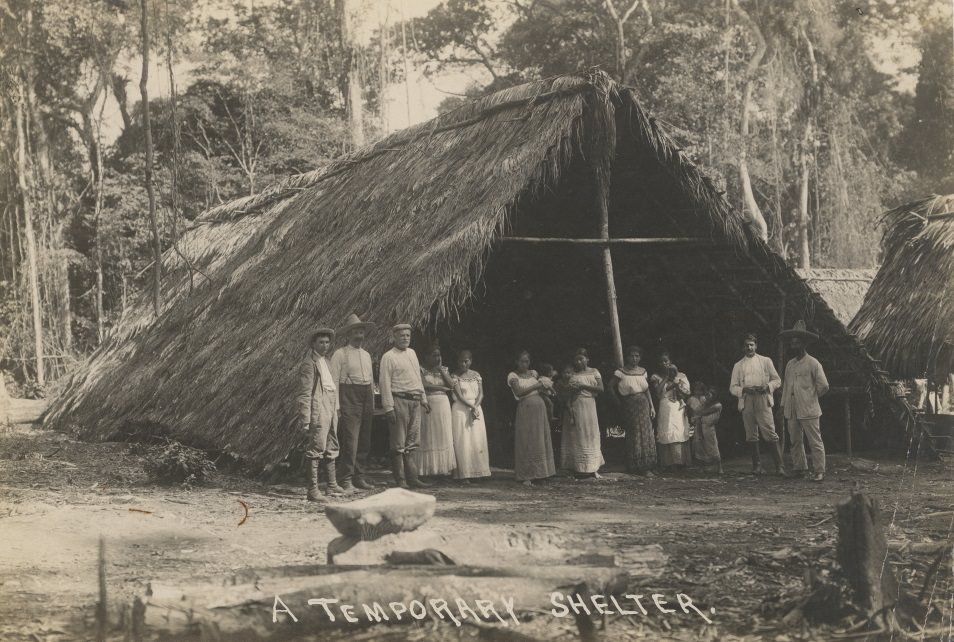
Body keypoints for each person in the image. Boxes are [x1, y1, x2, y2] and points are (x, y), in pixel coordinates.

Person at [729, 334, 790, 477]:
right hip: (746, 399)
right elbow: (732, 387)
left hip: (763, 398)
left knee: (770, 432)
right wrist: (743, 389)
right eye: (746, 345)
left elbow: (777, 380)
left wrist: (767, 387)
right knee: (751, 434)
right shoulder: (738, 365)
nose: (749, 347)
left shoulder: (765, 361)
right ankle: (757, 466)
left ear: (756, 346)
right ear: (743, 347)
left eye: (752, 344)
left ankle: (779, 467)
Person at [329, 313, 377, 493]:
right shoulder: (340, 354)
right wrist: (337, 406)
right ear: (348, 335)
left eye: (361, 332)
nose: (359, 335)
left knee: (364, 440)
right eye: (355, 332)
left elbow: (371, 380)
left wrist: (371, 401)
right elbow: (333, 381)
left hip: (366, 395)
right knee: (351, 440)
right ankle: (345, 478)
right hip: (349, 396)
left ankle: (359, 476)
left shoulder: (366, 355)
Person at [379, 324, 430, 489]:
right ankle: (400, 480)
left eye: (408, 335)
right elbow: (384, 383)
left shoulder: (412, 353)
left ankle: (413, 478)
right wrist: (388, 407)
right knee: (398, 444)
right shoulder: (388, 356)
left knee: (412, 442)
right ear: (394, 337)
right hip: (399, 400)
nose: (405, 338)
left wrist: (424, 398)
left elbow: (417, 378)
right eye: (402, 336)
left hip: (415, 401)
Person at [296, 328, 345, 501]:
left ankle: (331, 485)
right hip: (319, 405)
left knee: (332, 443)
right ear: (313, 344)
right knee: (317, 446)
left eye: (327, 342)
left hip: (331, 404)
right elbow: (305, 392)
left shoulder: (328, 362)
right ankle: (313, 490)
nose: (325, 345)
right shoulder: (309, 363)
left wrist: (336, 407)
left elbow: (333, 386)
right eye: (321, 342)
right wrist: (306, 418)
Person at [779, 320, 830, 482]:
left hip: (808, 409)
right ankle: (799, 468)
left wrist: (810, 397)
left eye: (797, 342)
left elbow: (824, 386)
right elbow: (787, 386)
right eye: (792, 342)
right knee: (795, 440)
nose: (794, 345)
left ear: (804, 344)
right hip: (792, 408)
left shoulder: (813, 363)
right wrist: (782, 406)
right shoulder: (790, 364)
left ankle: (819, 471)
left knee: (814, 440)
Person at [507, 350, 556, 487]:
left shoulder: (534, 373)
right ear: (516, 362)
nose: (525, 364)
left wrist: (546, 388)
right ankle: (527, 474)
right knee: (527, 439)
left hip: (539, 408)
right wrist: (537, 385)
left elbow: (543, 388)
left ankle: (542, 473)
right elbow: (518, 392)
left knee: (540, 438)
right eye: (522, 361)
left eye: (527, 361)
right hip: (526, 408)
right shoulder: (513, 376)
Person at [607, 345, 656, 477]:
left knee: (646, 433)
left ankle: (647, 465)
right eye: (632, 355)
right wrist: (618, 401)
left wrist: (652, 406)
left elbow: (646, 390)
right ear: (627, 357)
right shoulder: (621, 372)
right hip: (630, 405)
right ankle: (635, 466)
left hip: (644, 405)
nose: (634, 358)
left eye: (637, 356)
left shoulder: (643, 371)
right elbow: (610, 387)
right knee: (635, 433)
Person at [560, 348, 605, 479]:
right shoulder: (573, 375)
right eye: (576, 359)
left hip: (589, 405)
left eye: (581, 359)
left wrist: (583, 386)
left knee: (590, 433)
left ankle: (592, 467)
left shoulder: (594, 371)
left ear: (587, 359)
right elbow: (567, 393)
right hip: (576, 405)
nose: (579, 362)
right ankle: (578, 468)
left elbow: (601, 388)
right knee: (578, 434)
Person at [450, 349, 491, 483]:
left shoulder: (476, 375)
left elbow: (481, 394)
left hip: (476, 408)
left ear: (471, 361)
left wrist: (476, 407)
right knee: (464, 440)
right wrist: (472, 407)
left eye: (466, 361)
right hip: (461, 410)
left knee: (476, 439)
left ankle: (478, 472)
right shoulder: (454, 376)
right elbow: (460, 396)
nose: (463, 364)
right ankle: (464, 474)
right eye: (460, 361)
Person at [415, 345, 457, 479]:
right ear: (426, 357)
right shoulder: (421, 369)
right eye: (434, 355)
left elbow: (452, 385)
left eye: (438, 355)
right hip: (428, 404)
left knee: (442, 435)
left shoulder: (444, 369)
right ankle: (426, 471)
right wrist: (442, 387)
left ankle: (442, 471)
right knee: (428, 435)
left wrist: (441, 370)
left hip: (443, 405)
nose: (437, 358)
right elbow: (424, 386)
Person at [651, 352, 692, 472]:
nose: (664, 363)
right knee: (667, 430)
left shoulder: (680, 375)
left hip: (678, 406)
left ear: (670, 361)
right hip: (665, 405)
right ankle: (668, 464)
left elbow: (687, 391)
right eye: (661, 362)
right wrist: (666, 378)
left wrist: (677, 384)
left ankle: (680, 462)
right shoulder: (656, 377)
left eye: (666, 361)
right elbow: (658, 393)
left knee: (678, 430)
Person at [688, 381, 724, 475]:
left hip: (709, 428)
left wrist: (697, 416)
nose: (707, 396)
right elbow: (696, 413)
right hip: (700, 426)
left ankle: (719, 467)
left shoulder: (717, 405)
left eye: (710, 394)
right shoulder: (703, 403)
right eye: (707, 394)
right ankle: (701, 467)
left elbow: (702, 413)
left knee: (712, 446)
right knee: (699, 446)